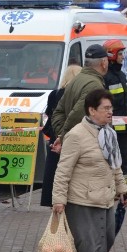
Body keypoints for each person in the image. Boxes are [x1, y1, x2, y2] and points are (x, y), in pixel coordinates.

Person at [52, 89, 127, 252]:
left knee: (108, 236)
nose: (110, 112)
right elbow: (63, 170)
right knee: (84, 242)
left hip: (105, 197)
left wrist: (122, 188)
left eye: (111, 108)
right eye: (105, 108)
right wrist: (58, 199)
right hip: (82, 199)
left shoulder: (109, 133)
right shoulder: (76, 135)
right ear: (92, 110)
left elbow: (115, 165)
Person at [50, 44, 109, 151]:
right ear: (103, 63)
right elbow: (77, 115)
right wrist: (65, 137)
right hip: (86, 146)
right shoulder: (94, 85)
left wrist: (62, 135)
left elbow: (58, 112)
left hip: (77, 144)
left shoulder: (76, 80)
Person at [40, 64, 83, 207]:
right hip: (72, 138)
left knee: (55, 173)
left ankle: (53, 200)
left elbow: (50, 115)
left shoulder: (54, 94)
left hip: (55, 139)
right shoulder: (79, 96)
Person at [102, 39, 127, 175]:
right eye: (120, 54)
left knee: (125, 159)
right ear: (112, 55)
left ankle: (125, 187)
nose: (123, 57)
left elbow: (126, 98)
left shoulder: (121, 75)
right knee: (114, 161)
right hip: (113, 129)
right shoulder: (107, 78)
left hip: (126, 128)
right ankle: (117, 191)